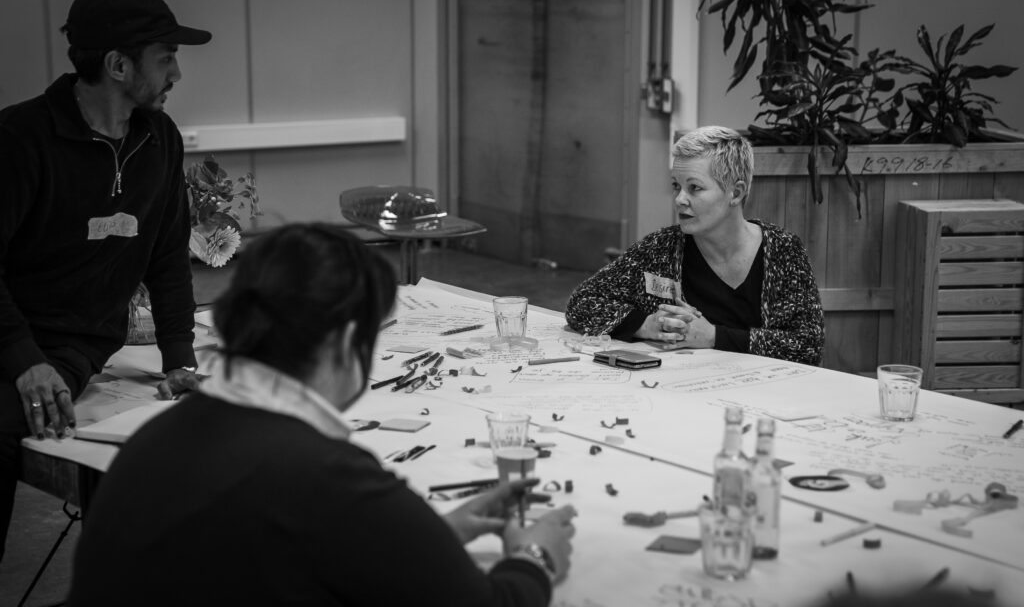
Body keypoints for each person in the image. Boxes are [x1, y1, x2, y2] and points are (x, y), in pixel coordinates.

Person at [68, 224, 577, 606]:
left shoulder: (164, 433)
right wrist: (535, 558)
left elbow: (307, 546)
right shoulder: (325, 476)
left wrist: (434, 536)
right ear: (343, 343)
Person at [0, 0, 210, 561]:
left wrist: (179, 359)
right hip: (15, 340)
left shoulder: (159, 139)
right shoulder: (20, 139)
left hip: (71, 347)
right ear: (119, 65)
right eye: (166, 58)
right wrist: (24, 362)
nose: (176, 74)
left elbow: (168, 256)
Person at [565, 126, 824, 365]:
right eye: (676, 186)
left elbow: (807, 345)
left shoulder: (783, 251)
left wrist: (713, 336)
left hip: (764, 398)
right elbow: (582, 302)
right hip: (682, 395)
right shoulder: (661, 247)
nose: (679, 199)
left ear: (736, 193)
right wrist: (647, 324)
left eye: (695, 188)